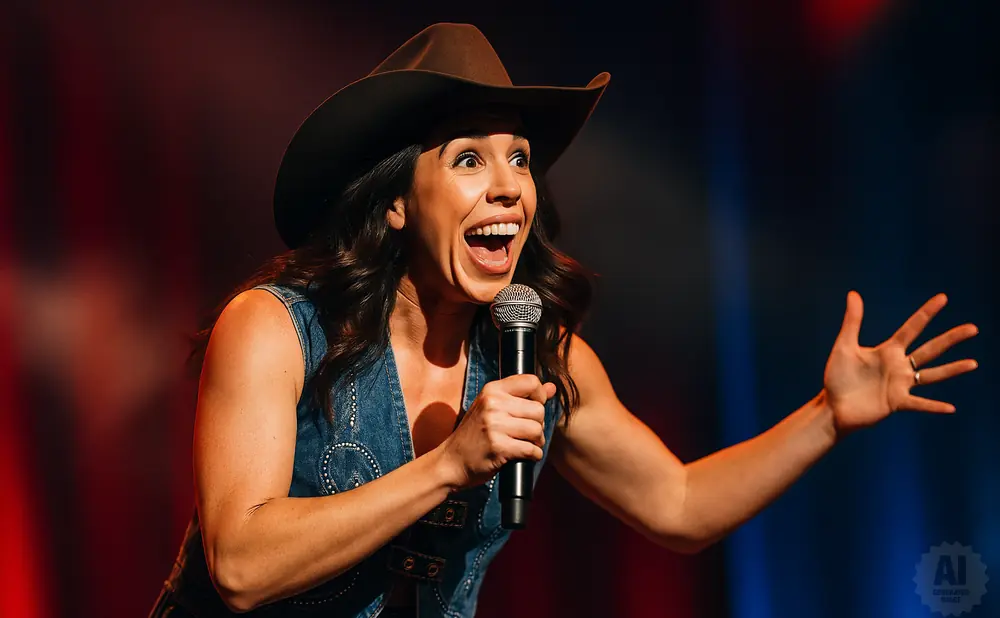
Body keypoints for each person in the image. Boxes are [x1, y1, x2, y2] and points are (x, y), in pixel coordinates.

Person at [148, 22, 979, 618]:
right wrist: (446, 467)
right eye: (469, 159)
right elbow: (241, 564)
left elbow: (678, 502)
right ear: (397, 203)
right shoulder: (275, 328)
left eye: (519, 158)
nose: (507, 185)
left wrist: (827, 417)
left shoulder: (540, 355)